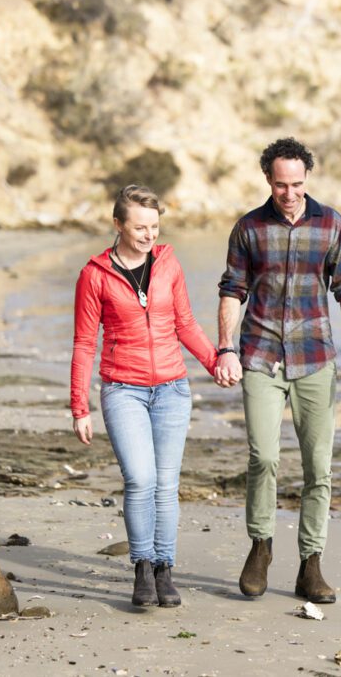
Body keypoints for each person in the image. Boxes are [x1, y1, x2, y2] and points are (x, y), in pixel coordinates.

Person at [215, 137, 341, 604]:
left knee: (318, 467)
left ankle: (311, 565)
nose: (289, 193)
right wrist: (225, 348)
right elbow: (232, 289)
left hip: (315, 358)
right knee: (263, 456)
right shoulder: (248, 228)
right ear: (268, 179)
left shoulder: (331, 224)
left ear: (307, 178)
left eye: (297, 184)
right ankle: (260, 547)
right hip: (260, 354)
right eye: (281, 185)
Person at [70, 185, 218, 608]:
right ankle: (142, 566)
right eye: (139, 227)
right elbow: (84, 343)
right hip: (123, 389)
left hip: (172, 388)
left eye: (154, 226)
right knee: (140, 479)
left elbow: (185, 323)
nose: (148, 234)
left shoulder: (169, 264)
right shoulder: (94, 275)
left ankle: (164, 569)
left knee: (167, 485)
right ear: (118, 225)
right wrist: (79, 406)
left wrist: (215, 362)